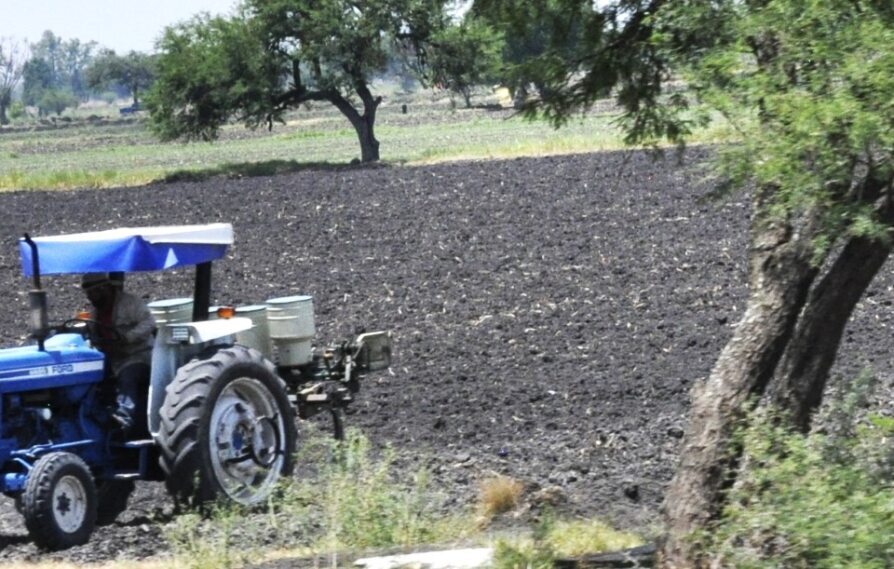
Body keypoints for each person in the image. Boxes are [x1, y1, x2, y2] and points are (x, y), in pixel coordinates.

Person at [81, 273, 156, 435]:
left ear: (104, 289)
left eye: (93, 293)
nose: (90, 298)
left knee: (128, 376)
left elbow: (149, 322)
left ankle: (124, 419)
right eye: (88, 294)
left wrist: (128, 338)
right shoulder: (95, 309)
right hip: (112, 358)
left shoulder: (130, 303)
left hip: (138, 355)